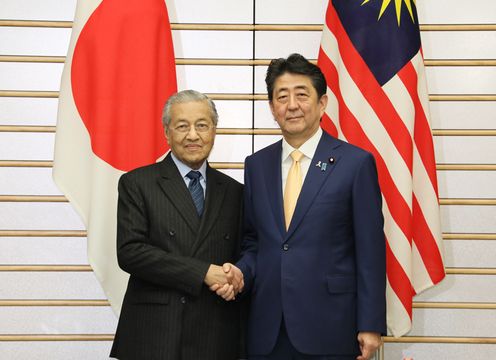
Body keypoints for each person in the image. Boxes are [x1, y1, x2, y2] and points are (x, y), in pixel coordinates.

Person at [218, 54, 386, 360]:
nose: (291, 105)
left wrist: (371, 324)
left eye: (301, 94)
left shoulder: (355, 163)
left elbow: (371, 251)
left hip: (332, 326)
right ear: (272, 108)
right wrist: (240, 271)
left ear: (322, 103)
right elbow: (256, 241)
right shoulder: (257, 165)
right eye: (282, 97)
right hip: (267, 328)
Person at [110, 90, 244, 360]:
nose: (193, 135)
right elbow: (131, 252)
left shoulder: (234, 191)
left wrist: (236, 277)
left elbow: (244, 253)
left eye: (202, 125)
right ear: (167, 132)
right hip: (155, 332)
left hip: (215, 332)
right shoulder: (137, 183)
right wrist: (202, 272)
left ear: (214, 131)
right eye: (182, 126)